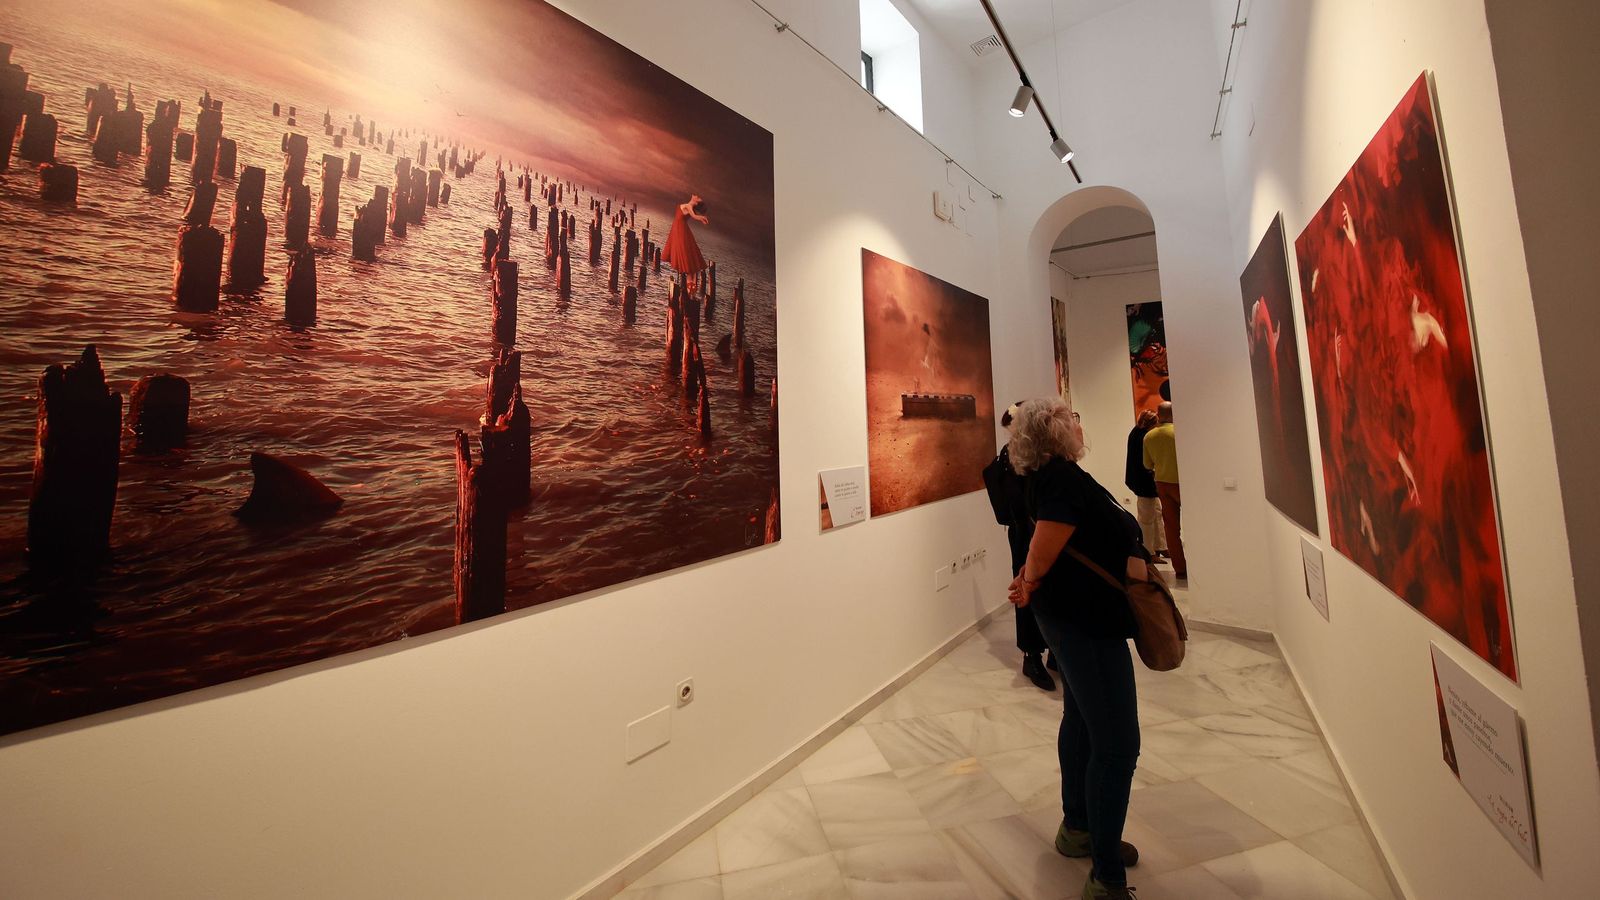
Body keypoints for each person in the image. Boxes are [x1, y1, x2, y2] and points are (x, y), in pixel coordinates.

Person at [1006, 396, 1143, 900]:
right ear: (1055, 431)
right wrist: (1028, 578)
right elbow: (1044, 549)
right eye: (1073, 418)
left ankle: (1079, 829)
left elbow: (1042, 552)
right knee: (1117, 745)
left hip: (1075, 619)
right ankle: (1105, 876)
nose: (1080, 424)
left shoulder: (1054, 476)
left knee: (1083, 721)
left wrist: (1027, 581)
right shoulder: (1060, 479)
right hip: (1085, 624)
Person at [982, 402, 1057, 692]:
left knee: (1047, 588)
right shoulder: (1012, 457)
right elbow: (1021, 503)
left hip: (1041, 532)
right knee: (1026, 589)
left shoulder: (1038, 454)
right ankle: (1031, 655)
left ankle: (1052, 652)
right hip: (1025, 534)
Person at [1142, 401, 1185, 579]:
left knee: (1171, 527)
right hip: (1181, 483)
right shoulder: (1179, 433)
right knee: (1193, 524)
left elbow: (1147, 464)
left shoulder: (1149, 436)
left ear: (1159, 415)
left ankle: (1180, 568)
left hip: (1162, 483)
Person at [1124, 409, 1166, 559]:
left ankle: (1160, 546)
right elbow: (1144, 463)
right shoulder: (1142, 437)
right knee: (1147, 517)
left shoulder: (1137, 433)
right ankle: (1149, 551)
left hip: (1142, 481)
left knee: (1156, 513)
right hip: (1144, 482)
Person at [662, 193, 709, 290]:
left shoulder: (689, 206)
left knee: (687, 256)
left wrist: (701, 218)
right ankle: (690, 286)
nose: (696, 196)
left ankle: (690, 287)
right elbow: (693, 215)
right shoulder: (688, 206)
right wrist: (701, 218)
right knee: (687, 257)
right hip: (679, 230)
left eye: (699, 198)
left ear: (696, 202)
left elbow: (693, 215)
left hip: (681, 231)